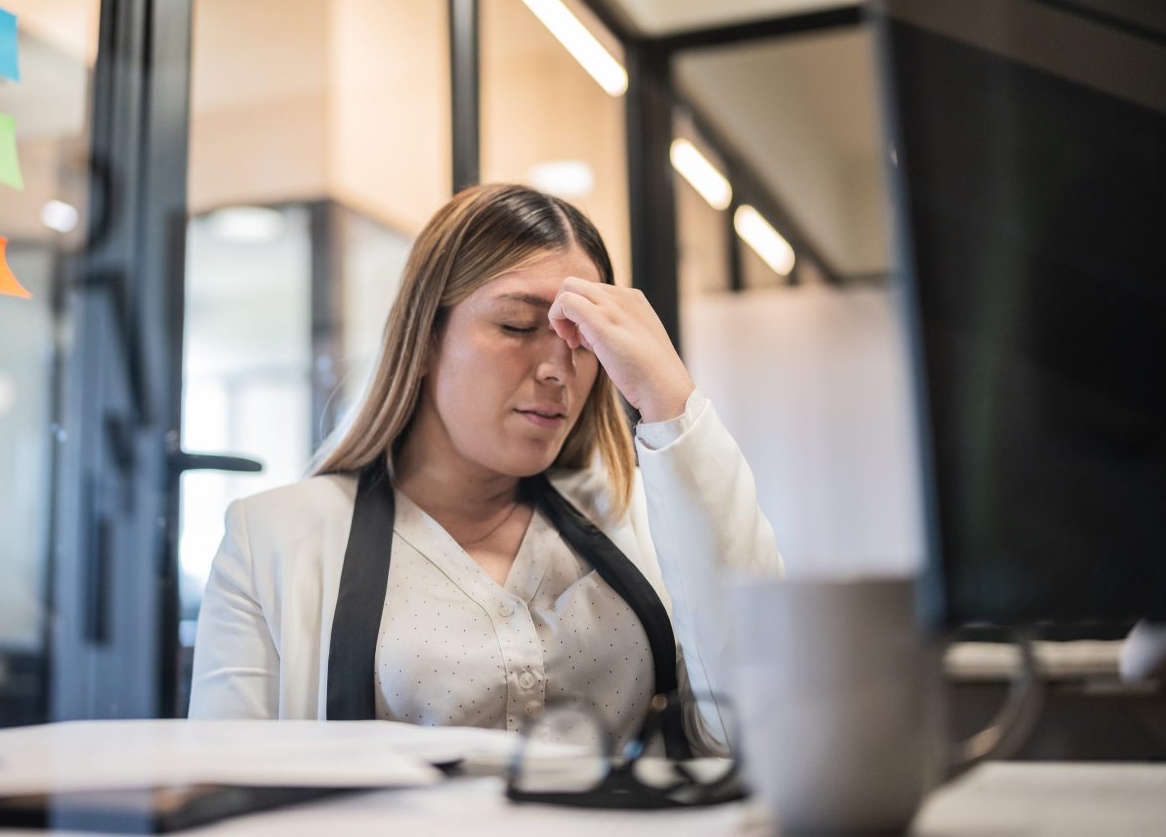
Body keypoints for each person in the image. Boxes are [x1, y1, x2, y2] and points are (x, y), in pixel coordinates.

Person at [188, 183, 783, 755]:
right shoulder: (269, 538)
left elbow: (757, 723)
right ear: (424, 337)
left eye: (582, 340)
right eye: (518, 326)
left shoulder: (638, 520)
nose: (558, 369)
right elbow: (225, 788)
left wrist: (668, 397)